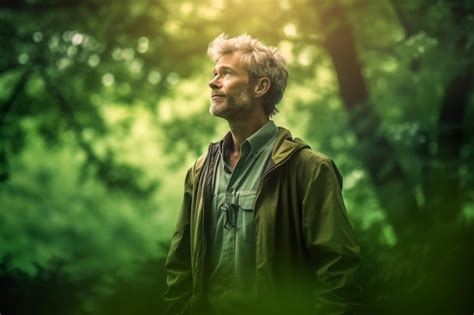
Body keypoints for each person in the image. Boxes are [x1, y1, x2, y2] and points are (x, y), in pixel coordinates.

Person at [164, 34, 361, 315]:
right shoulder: (200, 171)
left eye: (226, 73)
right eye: (214, 73)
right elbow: (179, 266)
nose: (212, 82)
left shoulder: (309, 169)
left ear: (261, 86)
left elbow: (338, 271)